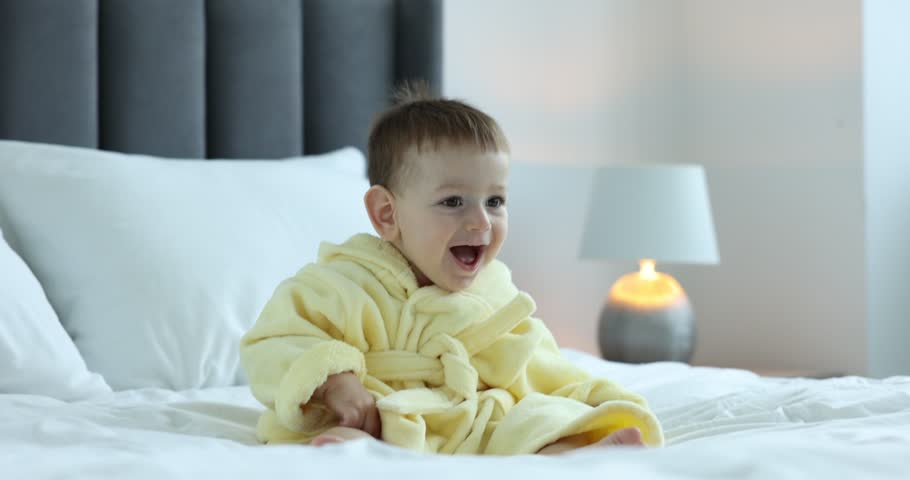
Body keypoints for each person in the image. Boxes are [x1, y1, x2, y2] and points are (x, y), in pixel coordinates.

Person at [239, 85, 664, 455]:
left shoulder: (493, 292)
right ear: (387, 214)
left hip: (466, 421)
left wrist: (589, 398)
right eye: (453, 202)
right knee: (360, 428)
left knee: (529, 417)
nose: (481, 221)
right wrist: (335, 381)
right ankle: (357, 456)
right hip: (373, 412)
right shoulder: (341, 284)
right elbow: (274, 341)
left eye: (495, 201)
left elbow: (535, 365)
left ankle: (567, 450)